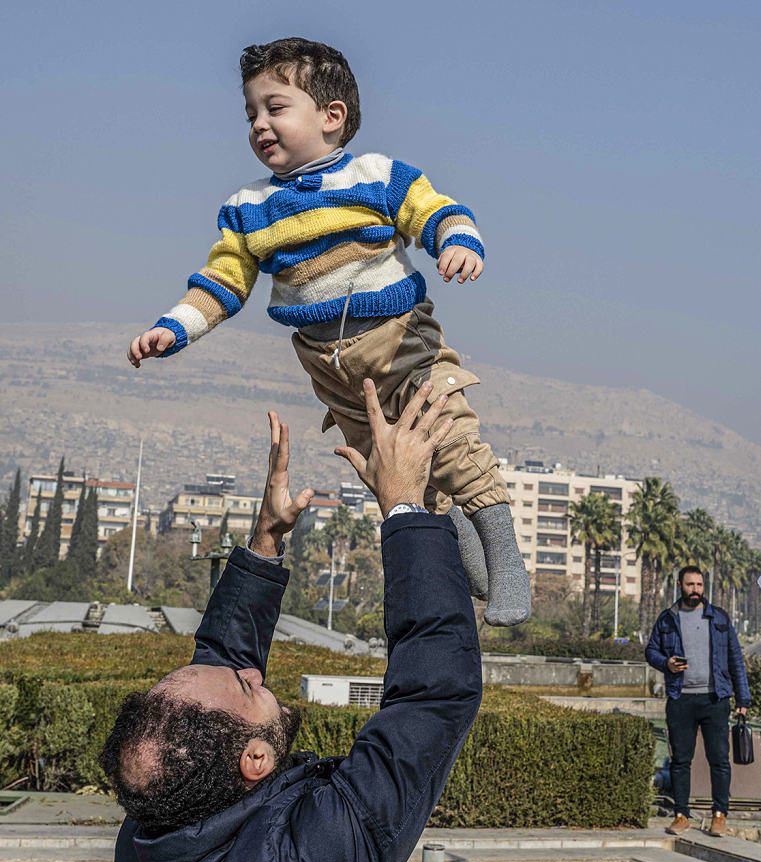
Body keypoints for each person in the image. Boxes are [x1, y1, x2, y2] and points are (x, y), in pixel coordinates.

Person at [123, 37, 528, 627]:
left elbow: (434, 210)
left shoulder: (376, 175)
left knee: (454, 441)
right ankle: (471, 556)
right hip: (331, 367)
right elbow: (223, 280)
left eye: (275, 108)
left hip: (404, 342)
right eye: (251, 115)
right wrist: (174, 328)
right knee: (395, 468)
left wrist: (459, 243)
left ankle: (506, 558)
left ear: (331, 117)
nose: (260, 124)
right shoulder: (248, 207)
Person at [102, 382, 478, 862]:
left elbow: (217, 673)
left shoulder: (153, 847)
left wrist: (265, 542)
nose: (253, 671)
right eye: (247, 686)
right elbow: (431, 696)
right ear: (255, 760)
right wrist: (406, 512)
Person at [645, 565, 751, 837]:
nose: (695, 590)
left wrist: (743, 698)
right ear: (680, 585)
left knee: (719, 759)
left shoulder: (719, 618)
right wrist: (666, 663)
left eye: (699, 585)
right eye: (690, 585)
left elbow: (735, 659)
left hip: (715, 699)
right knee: (680, 760)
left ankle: (719, 816)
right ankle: (681, 816)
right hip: (681, 699)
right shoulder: (668, 618)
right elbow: (650, 650)